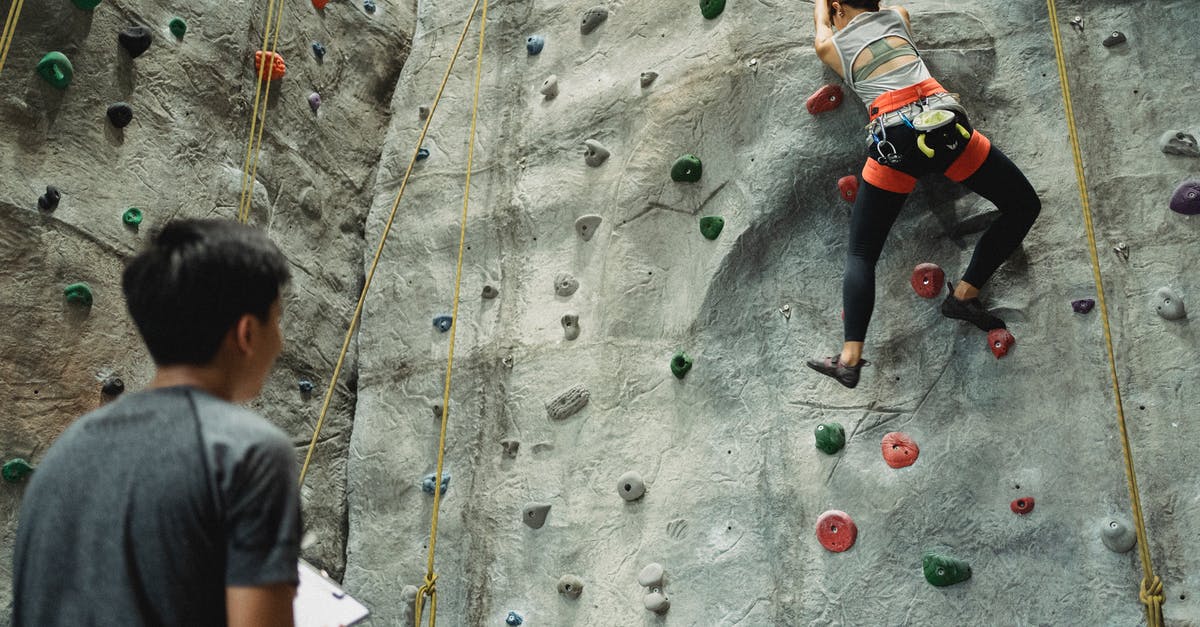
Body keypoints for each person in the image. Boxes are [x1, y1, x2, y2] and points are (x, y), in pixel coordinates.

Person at [12, 219, 301, 627]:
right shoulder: (246, 452)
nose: (282, 343)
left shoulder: (68, 449)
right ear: (247, 332)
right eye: (277, 319)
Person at [806, 0, 1041, 388]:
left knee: (862, 253)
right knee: (1023, 206)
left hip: (895, 139)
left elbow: (821, 29)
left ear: (836, 8)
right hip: (944, 127)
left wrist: (822, 9)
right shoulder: (898, 17)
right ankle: (964, 296)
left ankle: (849, 359)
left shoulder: (832, 47)